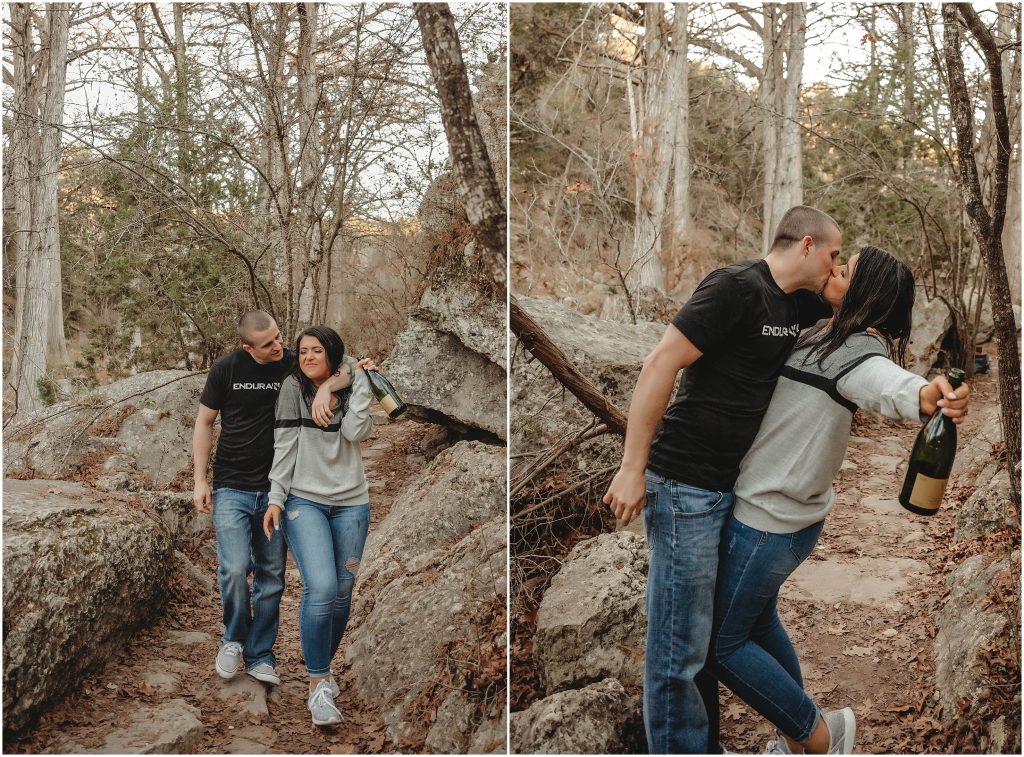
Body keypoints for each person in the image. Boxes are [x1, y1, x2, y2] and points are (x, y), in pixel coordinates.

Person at [708, 246, 969, 754]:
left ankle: (818, 736)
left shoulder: (858, 352)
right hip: (787, 513)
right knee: (757, 622)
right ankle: (796, 735)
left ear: (865, 292)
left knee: (720, 644)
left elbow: (888, 385)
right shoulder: (828, 333)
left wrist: (930, 395)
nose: (835, 270)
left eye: (846, 269)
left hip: (770, 520)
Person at [604, 205, 840, 754]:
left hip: (727, 492)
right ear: (806, 245)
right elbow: (661, 363)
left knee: (706, 642)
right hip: (683, 485)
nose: (835, 266)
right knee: (677, 651)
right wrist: (632, 466)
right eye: (832, 254)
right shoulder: (735, 287)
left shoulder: (796, 303)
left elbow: (846, 309)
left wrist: (839, 292)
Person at [192, 311, 354, 686]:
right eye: (269, 344)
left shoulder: (292, 365)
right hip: (232, 484)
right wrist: (200, 479)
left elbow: (346, 366)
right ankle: (233, 637)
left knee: (271, 575)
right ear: (247, 347)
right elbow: (204, 422)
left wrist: (329, 387)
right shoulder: (225, 369)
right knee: (233, 569)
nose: (280, 346)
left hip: (280, 488)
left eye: (280, 338)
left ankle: (261, 653)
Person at [262, 325, 374, 728]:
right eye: (303, 351)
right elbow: (285, 446)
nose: (308, 357)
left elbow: (356, 431)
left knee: (343, 595)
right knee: (322, 587)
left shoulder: (355, 379)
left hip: (351, 503)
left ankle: (321, 666)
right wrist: (276, 499)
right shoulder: (292, 388)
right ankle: (318, 683)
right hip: (303, 499)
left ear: (332, 355)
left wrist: (336, 389)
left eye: (316, 351)